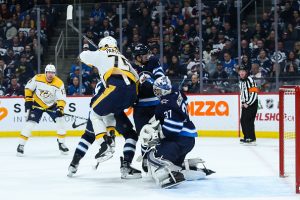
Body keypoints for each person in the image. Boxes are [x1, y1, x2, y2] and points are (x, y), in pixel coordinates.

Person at [140, 76, 214, 188]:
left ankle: (170, 175)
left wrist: (157, 136)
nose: (157, 93)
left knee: (153, 156)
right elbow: (185, 102)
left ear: (164, 90)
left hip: (179, 141)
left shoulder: (166, 104)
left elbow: (173, 129)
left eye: (158, 91)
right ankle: (179, 166)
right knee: (170, 156)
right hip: (188, 140)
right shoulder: (176, 92)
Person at [77, 36, 139, 169]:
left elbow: (82, 56)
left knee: (94, 112)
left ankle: (103, 144)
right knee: (112, 111)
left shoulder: (101, 53)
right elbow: (137, 78)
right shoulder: (124, 58)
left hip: (116, 87)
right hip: (132, 93)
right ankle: (110, 136)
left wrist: (86, 47)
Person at [16, 64, 69, 156]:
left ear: (54, 74)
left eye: (52, 73)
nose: (50, 75)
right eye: (48, 72)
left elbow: (62, 98)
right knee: (30, 124)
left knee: (61, 122)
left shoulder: (59, 83)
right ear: (45, 72)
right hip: (38, 104)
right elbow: (28, 88)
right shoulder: (37, 78)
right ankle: (21, 145)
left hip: (52, 105)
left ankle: (61, 143)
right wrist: (28, 101)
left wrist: (60, 108)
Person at [130, 43, 165, 172]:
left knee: (159, 133)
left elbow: (161, 78)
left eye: (147, 54)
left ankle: (160, 156)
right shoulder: (130, 68)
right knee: (144, 135)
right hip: (139, 108)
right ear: (138, 57)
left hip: (155, 105)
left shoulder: (153, 62)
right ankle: (145, 157)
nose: (148, 56)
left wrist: (151, 80)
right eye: (145, 55)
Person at [238, 65, 258, 145]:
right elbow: (242, 93)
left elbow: (254, 93)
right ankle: (247, 137)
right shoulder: (241, 81)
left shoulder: (250, 80)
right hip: (245, 104)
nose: (242, 73)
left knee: (249, 121)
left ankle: (251, 138)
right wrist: (243, 103)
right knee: (243, 120)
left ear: (246, 72)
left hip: (252, 104)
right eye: (240, 71)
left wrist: (248, 103)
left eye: (243, 71)